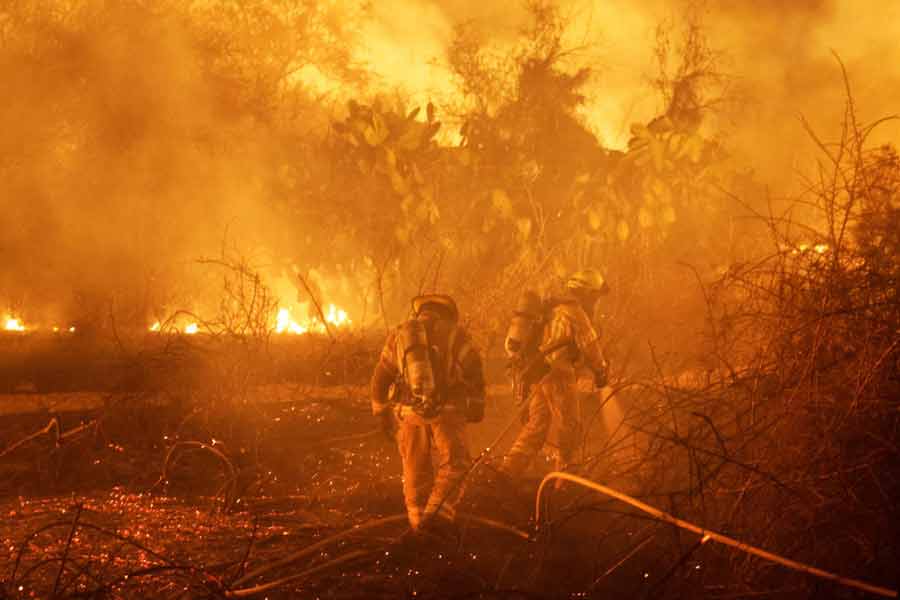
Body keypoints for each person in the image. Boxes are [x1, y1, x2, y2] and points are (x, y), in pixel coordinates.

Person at [370, 294, 486, 531]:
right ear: (447, 312)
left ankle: (417, 522)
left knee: (414, 468)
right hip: (447, 411)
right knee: (456, 464)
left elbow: (380, 378)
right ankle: (436, 520)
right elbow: (474, 368)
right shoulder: (455, 333)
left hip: (409, 413)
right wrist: (476, 404)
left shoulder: (399, 335)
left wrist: (381, 413)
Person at [500, 270, 609, 478]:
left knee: (536, 426)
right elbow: (590, 344)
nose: (596, 302)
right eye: (595, 296)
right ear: (587, 293)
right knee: (571, 425)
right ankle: (568, 477)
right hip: (559, 374)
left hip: (539, 375)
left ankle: (508, 472)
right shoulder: (574, 311)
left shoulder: (553, 308)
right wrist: (601, 370)